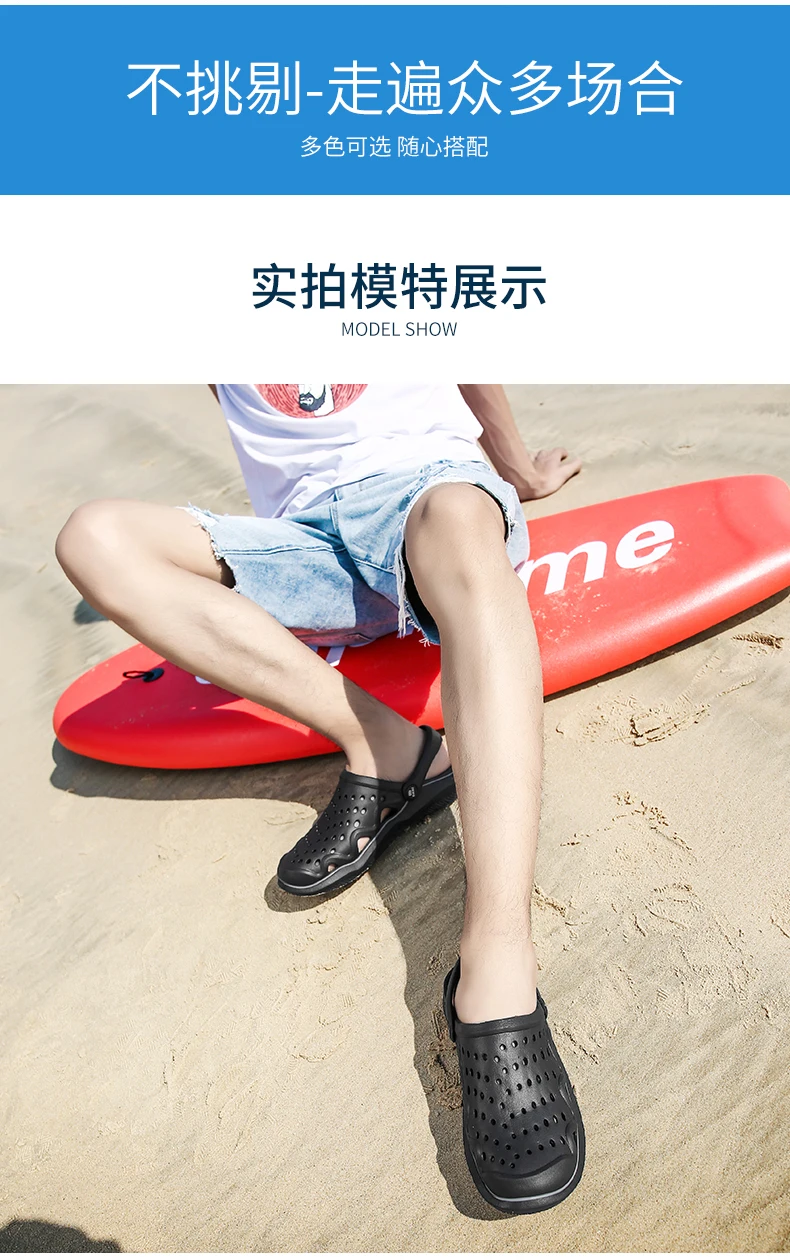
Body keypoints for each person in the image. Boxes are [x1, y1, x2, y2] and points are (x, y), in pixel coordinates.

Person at [55, 383, 585, 1215]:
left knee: (454, 512)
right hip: (304, 547)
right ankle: (388, 745)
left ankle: (498, 966)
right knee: (92, 538)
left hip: (434, 504)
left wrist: (516, 471)